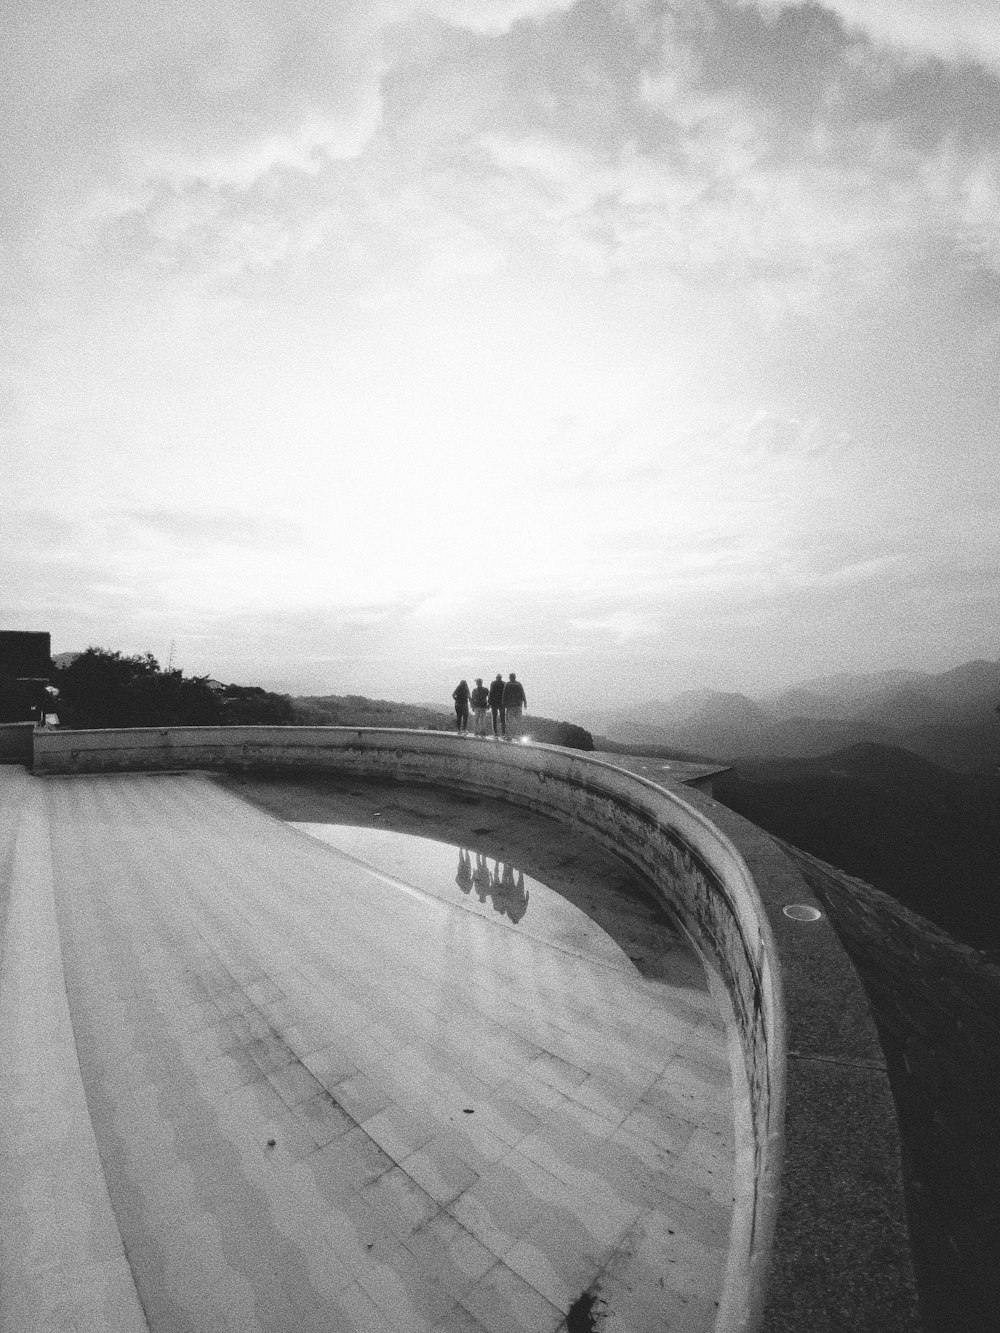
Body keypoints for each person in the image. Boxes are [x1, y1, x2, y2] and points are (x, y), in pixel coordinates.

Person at [502, 672, 527, 740]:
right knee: (518, 721)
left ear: (510, 677)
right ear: (515, 677)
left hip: (510, 706)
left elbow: (504, 694)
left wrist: (504, 704)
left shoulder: (507, 684)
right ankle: (519, 735)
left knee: (509, 721)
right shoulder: (518, 684)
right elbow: (522, 693)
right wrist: (525, 702)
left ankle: (509, 735)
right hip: (518, 705)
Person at [487, 673, 506, 737]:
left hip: (495, 703)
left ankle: (495, 732)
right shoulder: (504, 683)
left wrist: (489, 702)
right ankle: (503, 732)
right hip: (501, 703)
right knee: (502, 718)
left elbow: (491, 693)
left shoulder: (494, 683)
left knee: (495, 718)